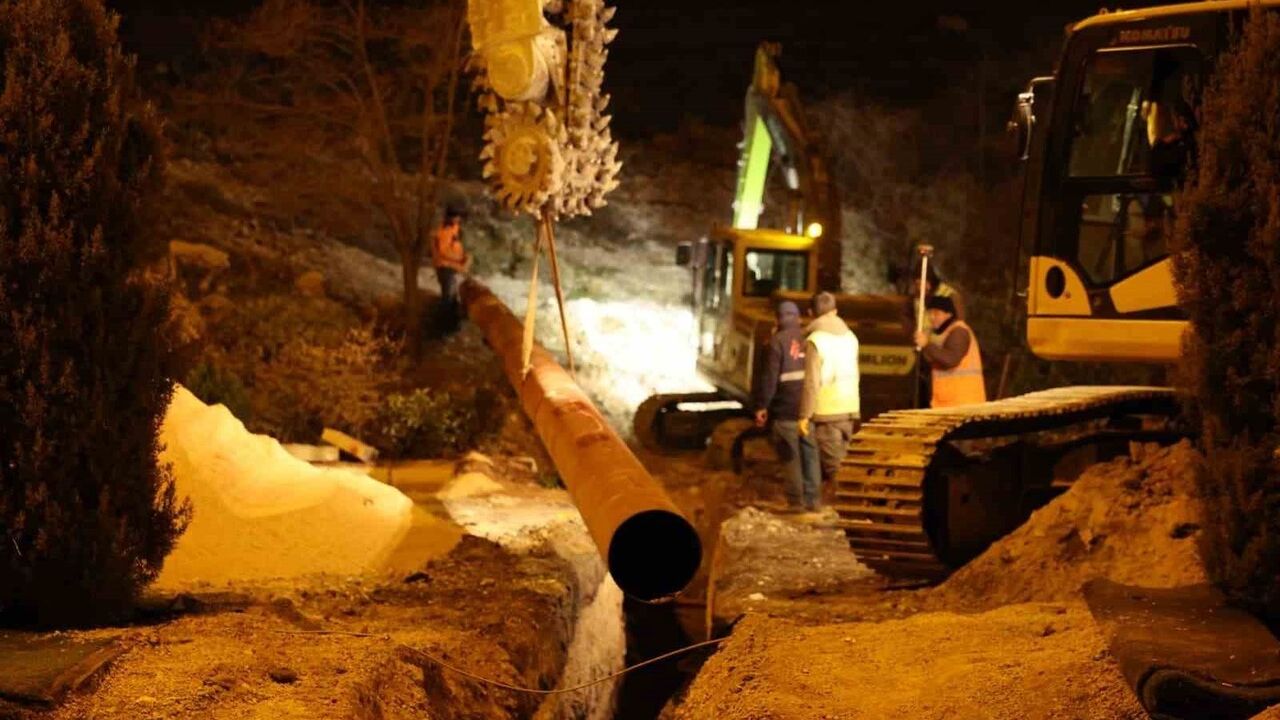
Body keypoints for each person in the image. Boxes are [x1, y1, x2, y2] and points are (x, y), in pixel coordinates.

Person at [753, 301, 821, 514]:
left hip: (785, 410)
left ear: (778, 319)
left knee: (790, 456)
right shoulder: (809, 339)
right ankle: (813, 501)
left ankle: (796, 502)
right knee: (810, 454)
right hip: (806, 410)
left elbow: (770, 378)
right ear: (798, 317)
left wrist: (762, 405)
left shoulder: (777, 342)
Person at [798, 292, 861, 512]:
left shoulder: (816, 340)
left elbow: (811, 382)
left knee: (836, 468)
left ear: (810, 313)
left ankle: (851, 509)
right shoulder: (850, 337)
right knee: (846, 462)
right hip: (849, 406)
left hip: (827, 410)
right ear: (835, 311)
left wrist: (804, 415)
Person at [913, 295, 986, 408]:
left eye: (936, 313)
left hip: (964, 402)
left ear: (948, 314)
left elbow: (951, 359)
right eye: (930, 313)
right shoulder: (942, 334)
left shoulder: (959, 332)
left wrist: (927, 344)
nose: (932, 317)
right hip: (949, 402)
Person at [432, 206, 470, 334]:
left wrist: (463, 258)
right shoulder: (445, 231)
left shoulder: (454, 230)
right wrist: (459, 260)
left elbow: (455, 248)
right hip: (446, 266)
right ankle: (444, 327)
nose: (458, 220)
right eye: (457, 217)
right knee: (448, 297)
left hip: (452, 267)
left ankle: (451, 325)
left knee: (452, 296)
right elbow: (444, 251)